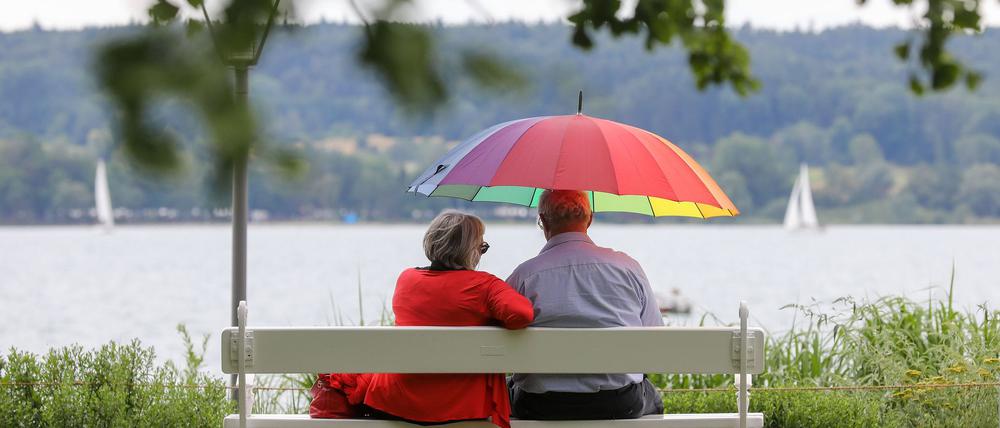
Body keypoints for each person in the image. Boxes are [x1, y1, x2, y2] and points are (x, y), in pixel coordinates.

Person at [320, 210, 534, 428]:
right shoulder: (485, 286)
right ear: (470, 251)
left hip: (396, 402)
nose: (481, 254)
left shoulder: (406, 279)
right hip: (462, 407)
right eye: (482, 247)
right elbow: (522, 314)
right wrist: (492, 320)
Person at [505, 190, 665, 420]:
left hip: (541, 404)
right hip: (619, 402)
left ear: (543, 220)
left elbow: (499, 339)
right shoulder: (628, 268)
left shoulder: (524, 275)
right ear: (589, 219)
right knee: (652, 396)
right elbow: (654, 336)